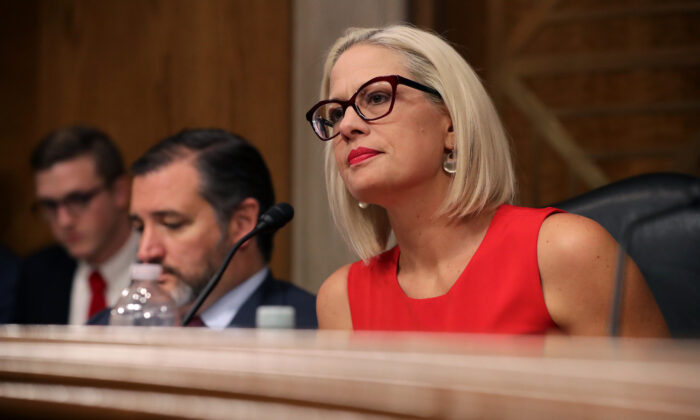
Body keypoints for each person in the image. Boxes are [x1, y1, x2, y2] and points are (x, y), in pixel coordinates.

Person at [307, 25, 668, 336]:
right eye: (336, 113)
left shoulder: (567, 251)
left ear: (451, 124)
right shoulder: (341, 299)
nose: (347, 127)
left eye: (376, 97)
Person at [91, 129, 317, 328]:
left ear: (242, 224)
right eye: (140, 228)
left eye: (172, 224)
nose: (145, 252)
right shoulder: (103, 331)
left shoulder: (318, 330)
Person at [14, 126, 138, 325]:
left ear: (119, 192)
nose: (64, 221)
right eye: (50, 205)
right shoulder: (38, 273)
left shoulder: (165, 267)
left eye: (78, 200)